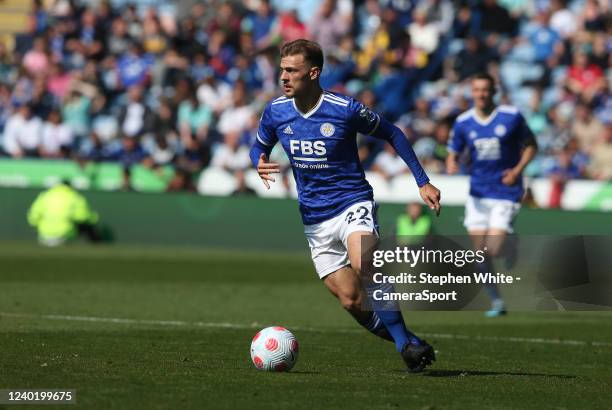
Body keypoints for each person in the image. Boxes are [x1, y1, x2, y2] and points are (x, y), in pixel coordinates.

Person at [250, 39, 441, 372]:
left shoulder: (344, 108)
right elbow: (259, 146)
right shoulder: (276, 111)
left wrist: (422, 181)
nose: (283, 77)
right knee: (351, 300)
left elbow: (393, 132)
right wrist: (259, 160)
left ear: (313, 73)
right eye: (282, 69)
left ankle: (403, 345)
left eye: (291, 71)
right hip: (314, 219)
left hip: (352, 202)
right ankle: (410, 343)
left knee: (364, 262)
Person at [446, 72, 537, 317]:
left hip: (505, 191)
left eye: (485, 90)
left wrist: (518, 171)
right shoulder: (464, 121)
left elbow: (531, 145)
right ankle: (497, 301)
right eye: (476, 90)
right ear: (471, 92)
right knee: (479, 255)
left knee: (493, 250)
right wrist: (452, 162)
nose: (481, 94)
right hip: (477, 193)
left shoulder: (511, 117)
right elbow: (453, 149)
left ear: (493, 91)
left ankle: (510, 244)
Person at [27, 181, 101, 247]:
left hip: (44, 237)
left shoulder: (45, 195)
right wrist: (94, 218)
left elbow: (33, 218)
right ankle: (96, 249)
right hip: (64, 236)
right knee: (87, 226)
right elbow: (82, 217)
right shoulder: (74, 196)